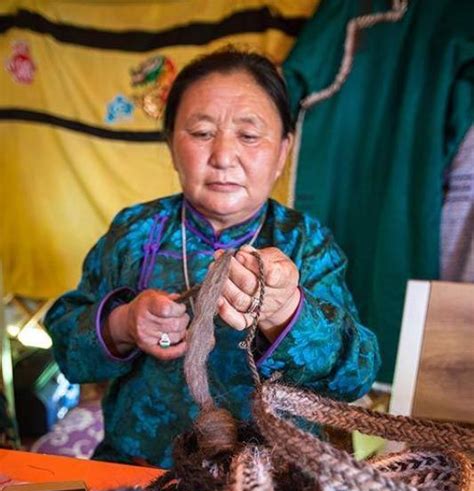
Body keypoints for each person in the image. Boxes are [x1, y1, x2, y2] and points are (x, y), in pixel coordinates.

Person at [45, 48, 381, 469]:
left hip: (270, 480)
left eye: (249, 135)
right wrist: (124, 323)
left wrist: (287, 311)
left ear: (281, 152)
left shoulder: (306, 242)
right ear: (171, 146)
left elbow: (356, 375)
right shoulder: (135, 232)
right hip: (139, 470)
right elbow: (65, 348)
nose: (223, 156)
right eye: (202, 133)